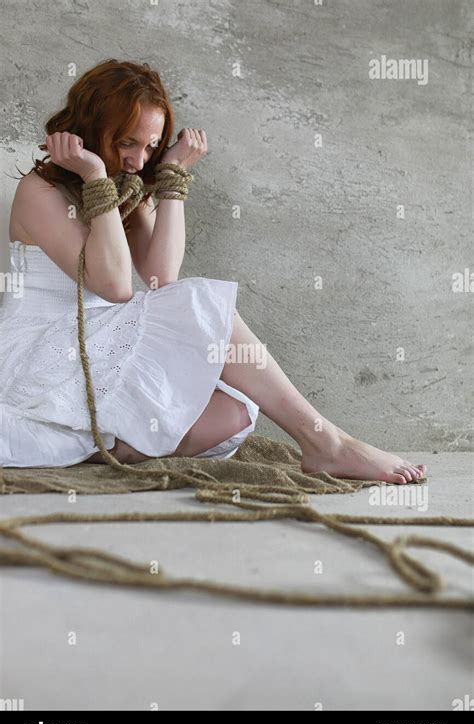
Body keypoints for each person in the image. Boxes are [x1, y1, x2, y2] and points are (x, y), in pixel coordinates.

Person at [2, 59, 426, 483]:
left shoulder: (124, 187)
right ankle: (327, 442)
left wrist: (172, 178)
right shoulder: (40, 192)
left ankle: (102, 443)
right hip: (44, 346)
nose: (136, 159)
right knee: (200, 304)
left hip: (100, 342)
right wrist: (94, 175)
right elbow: (113, 285)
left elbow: (160, 277)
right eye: (126, 142)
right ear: (93, 129)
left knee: (234, 412)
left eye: (150, 147)